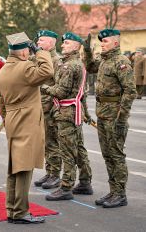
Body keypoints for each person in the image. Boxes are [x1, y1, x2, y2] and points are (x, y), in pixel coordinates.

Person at [0, 32, 54, 224]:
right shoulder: (25, 67)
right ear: (23, 51)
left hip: (13, 120)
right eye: (28, 50)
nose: (29, 53)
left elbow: (1, 102)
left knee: (15, 166)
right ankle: (20, 212)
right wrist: (40, 52)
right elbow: (47, 72)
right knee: (24, 167)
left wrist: (8, 119)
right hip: (27, 121)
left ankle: (12, 209)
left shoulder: (3, 70)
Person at [83, 29, 137, 208]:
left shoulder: (121, 62)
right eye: (101, 42)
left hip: (115, 117)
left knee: (116, 155)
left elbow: (130, 91)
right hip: (103, 116)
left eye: (105, 41)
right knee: (107, 155)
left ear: (115, 43)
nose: (102, 44)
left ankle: (120, 194)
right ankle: (113, 191)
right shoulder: (105, 60)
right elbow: (90, 67)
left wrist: (122, 119)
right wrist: (88, 51)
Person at [41, 32, 93, 201]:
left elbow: (61, 92)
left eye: (67, 43)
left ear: (77, 46)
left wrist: (45, 88)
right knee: (78, 148)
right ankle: (85, 182)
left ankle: (66, 187)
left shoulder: (69, 66)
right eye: (63, 43)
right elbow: (82, 93)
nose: (63, 45)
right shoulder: (76, 63)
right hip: (74, 111)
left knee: (67, 151)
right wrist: (85, 112)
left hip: (66, 112)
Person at [33, 30, 61, 190]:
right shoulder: (40, 58)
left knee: (52, 142)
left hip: (50, 107)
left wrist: (53, 107)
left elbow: (58, 86)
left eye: (41, 40)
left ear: (51, 43)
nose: (38, 43)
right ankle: (49, 172)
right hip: (40, 106)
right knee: (45, 142)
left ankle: (55, 174)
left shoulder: (56, 60)